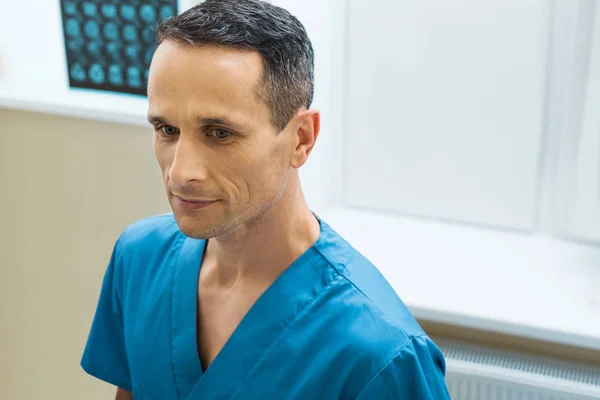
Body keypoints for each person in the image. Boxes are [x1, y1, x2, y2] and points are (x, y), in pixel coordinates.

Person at [81, 0, 451, 399]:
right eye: (167, 129)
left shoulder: (380, 356)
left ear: (301, 138)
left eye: (219, 133)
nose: (179, 172)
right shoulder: (138, 261)